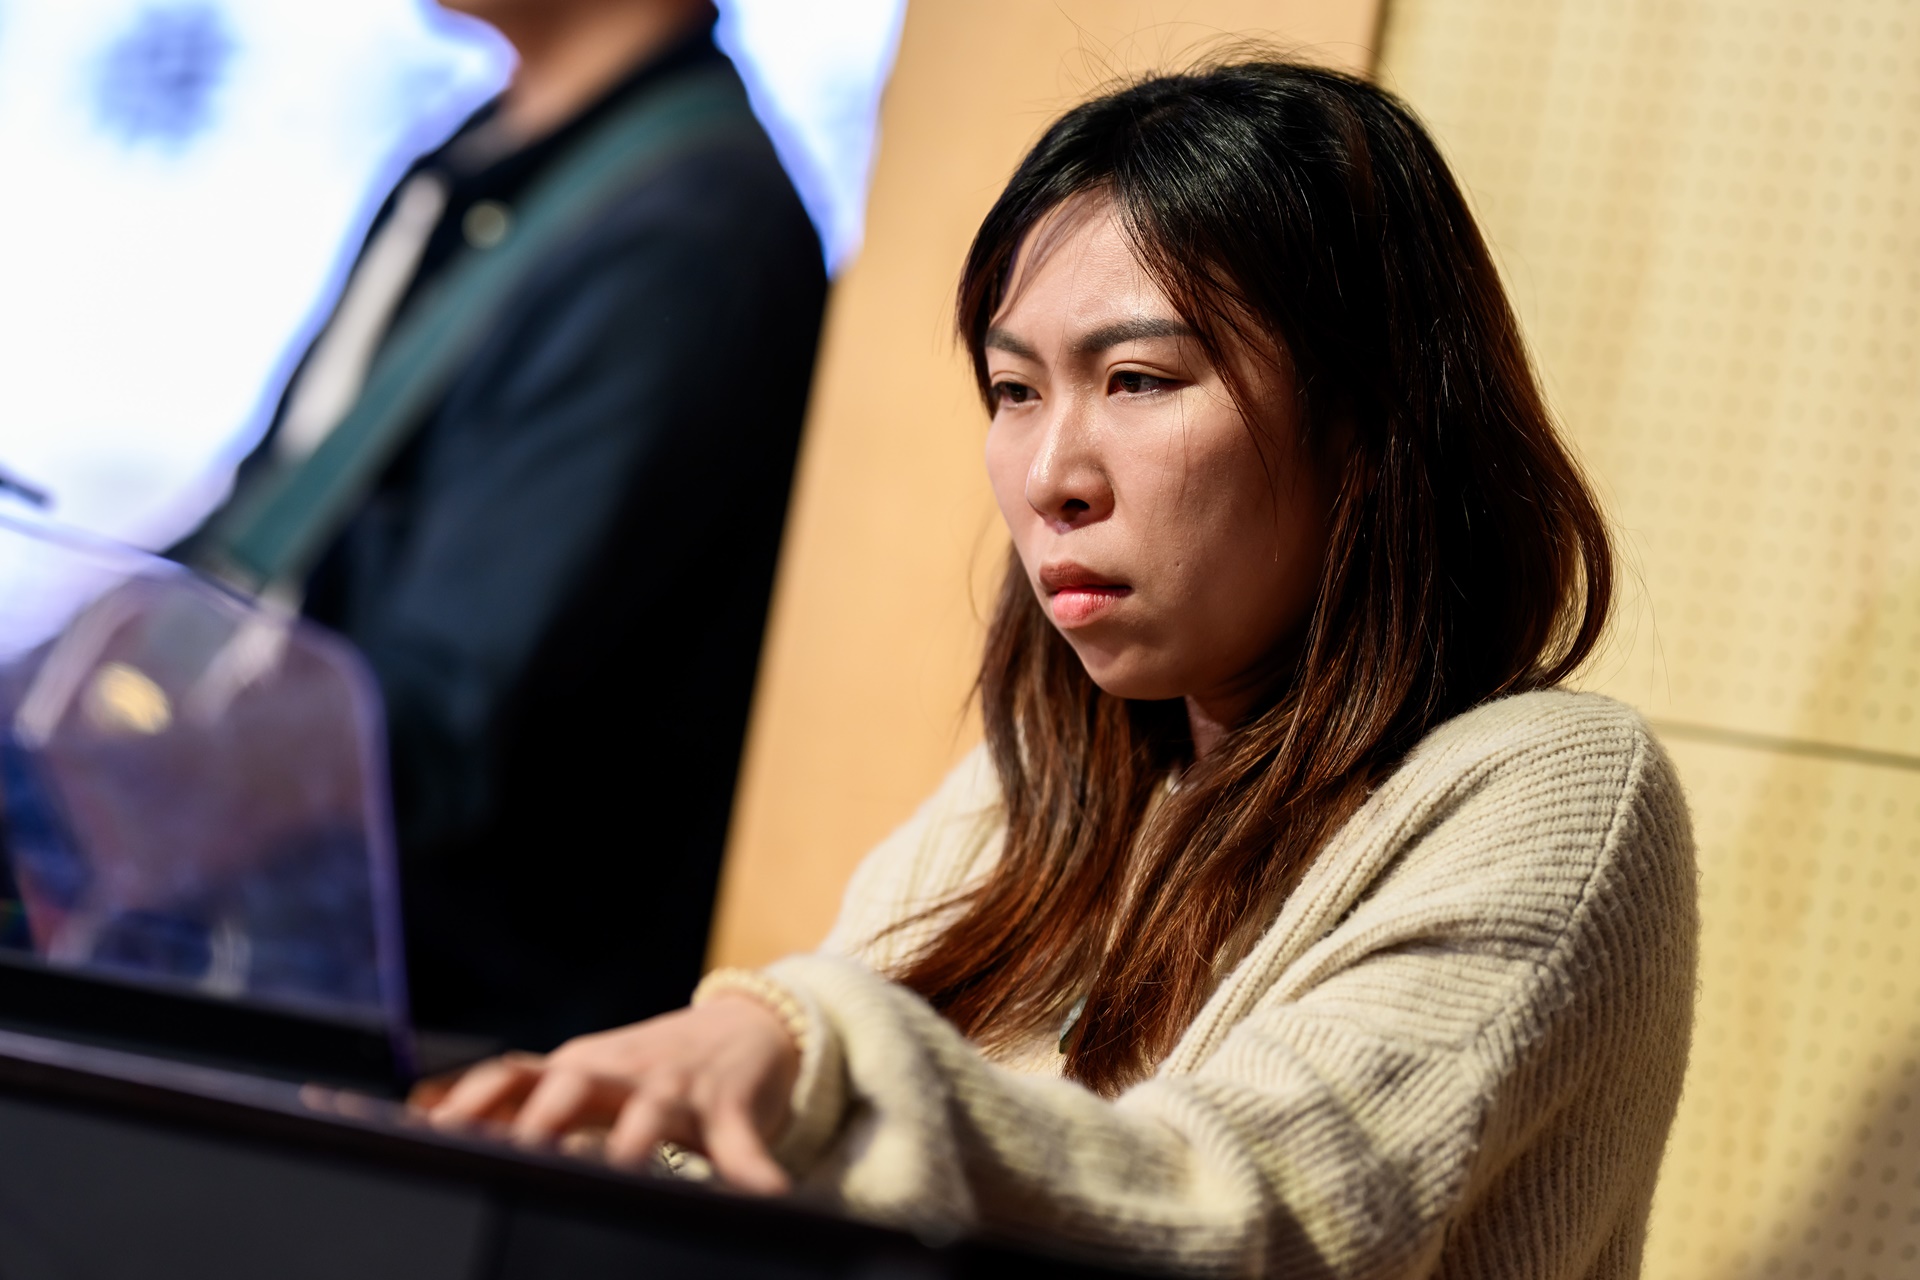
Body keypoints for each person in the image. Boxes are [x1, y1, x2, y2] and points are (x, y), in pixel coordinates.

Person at [417, 60, 1698, 1279]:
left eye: (1137, 379)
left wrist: (804, 1045)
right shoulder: (1038, 781)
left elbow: (1259, 1218)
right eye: (1015, 390)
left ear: (1372, 416)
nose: (1049, 477)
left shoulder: (1551, 786)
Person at [177, 0, 827, 1049]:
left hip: (438, 1040)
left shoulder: (689, 230)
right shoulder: (483, 158)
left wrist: (126, 775)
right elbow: (274, 522)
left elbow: (434, 729)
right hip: (292, 958)